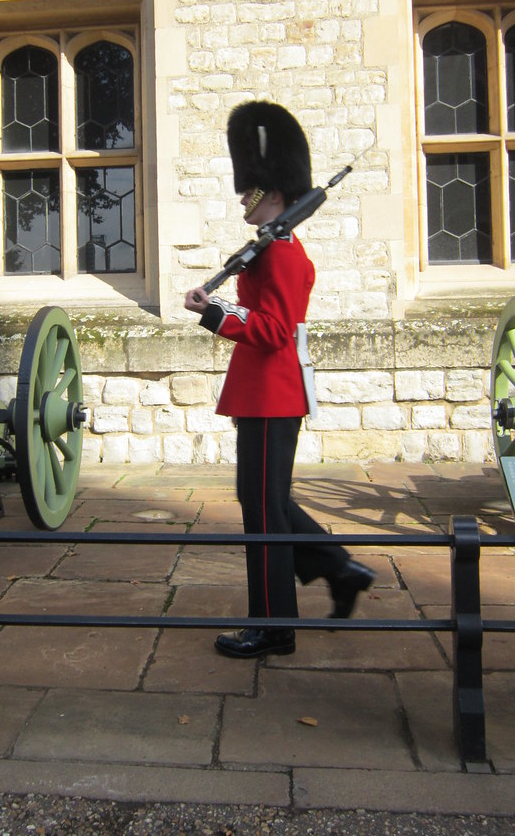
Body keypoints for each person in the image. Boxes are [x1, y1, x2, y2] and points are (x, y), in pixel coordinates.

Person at [184, 100, 375, 659]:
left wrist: (214, 312)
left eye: (254, 190)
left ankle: (274, 626)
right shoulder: (267, 251)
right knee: (261, 499)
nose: (245, 199)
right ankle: (339, 569)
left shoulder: (284, 256)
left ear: (276, 194)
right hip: (262, 391)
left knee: (263, 511)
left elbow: (272, 331)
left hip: (272, 392)